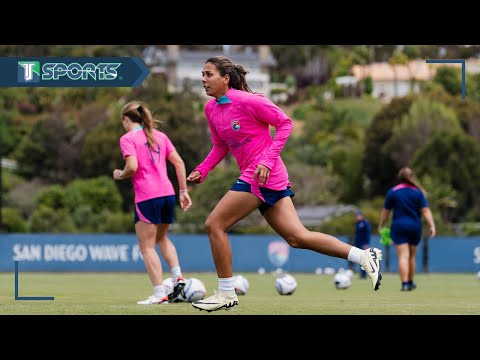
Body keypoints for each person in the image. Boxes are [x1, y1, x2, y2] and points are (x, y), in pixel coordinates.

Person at [187, 56, 383, 312]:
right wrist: (203, 169)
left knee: (214, 224)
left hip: (263, 175)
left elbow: (285, 123)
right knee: (297, 237)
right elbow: (220, 145)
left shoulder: (249, 101)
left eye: (209, 74)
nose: (203, 79)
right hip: (258, 175)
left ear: (225, 78)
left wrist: (267, 161)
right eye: (202, 74)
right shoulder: (211, 109)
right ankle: (364, 257)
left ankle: (226, 293)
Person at [113, 101, 192, 305]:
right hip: (168, 194)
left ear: (125, 119)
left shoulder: (127, 138)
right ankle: (178, 278)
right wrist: (183, 191)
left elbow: (132, 166)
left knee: (146, 247)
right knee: (162, 238)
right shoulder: (161, 136)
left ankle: (160, 294)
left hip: (147, 196)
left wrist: (120, 175)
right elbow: (179, 163)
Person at [378, 166, 436, 291]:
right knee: (412, 257)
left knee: (403, 256)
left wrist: (381, 224)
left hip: (398, 226)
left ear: (399, 178)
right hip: (415, 226)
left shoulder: (393, 192)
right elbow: (425, 210)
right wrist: (432, 225)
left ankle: (404, 284)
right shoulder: (418, 192)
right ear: (412, 177)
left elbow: (386, 211)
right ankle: (410, 282)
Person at [353, 210, 371, 279]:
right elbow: (357, 235)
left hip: (364, 244)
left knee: (364, 259)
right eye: (356, 216)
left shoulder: (365, 223)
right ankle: (362, 274)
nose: (357, 217)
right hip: (359, 244)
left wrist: (367, 243)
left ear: (361, 216)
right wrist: (356, 244)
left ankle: (365, 274)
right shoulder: (357, 224)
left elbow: (367, 234)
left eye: (358, 216)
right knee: (360, 259)